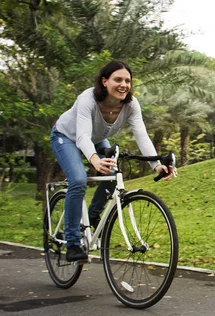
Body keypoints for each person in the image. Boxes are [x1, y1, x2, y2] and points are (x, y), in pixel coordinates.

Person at [50, 60, 176, 262]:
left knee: (112, 173)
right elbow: (82, 136)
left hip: (96, 139)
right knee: (79, 180)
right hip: (66, 137)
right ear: (104, 81)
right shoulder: (87, 99)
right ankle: (73, 243)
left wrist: (156, 165)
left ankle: (91, 216)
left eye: (127, 80)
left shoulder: (131, 104)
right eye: (118, 79)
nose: (123, 84)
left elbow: (141, 136)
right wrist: (94, 160)